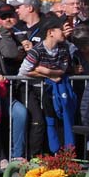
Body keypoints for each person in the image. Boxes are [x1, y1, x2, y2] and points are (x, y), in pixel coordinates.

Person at [18, 14, 75, 155]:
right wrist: (47, 73)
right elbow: (23, 72)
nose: (64, 32)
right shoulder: (36, 50)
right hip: (30, 89)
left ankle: (55, 155)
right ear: (51, 32)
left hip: (50, 90)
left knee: (54, 121)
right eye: (61, 29)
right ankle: (34, 156)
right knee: (39, 122)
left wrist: (44, 70)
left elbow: (62, 69)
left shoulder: (63, 50)